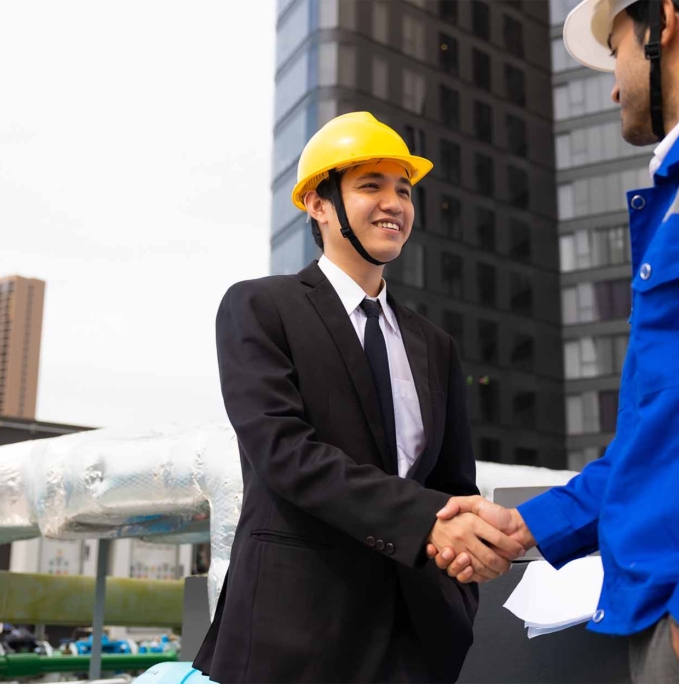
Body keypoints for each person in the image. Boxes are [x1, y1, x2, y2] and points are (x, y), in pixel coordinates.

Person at [430, 1, 679, 682]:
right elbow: (669, 441)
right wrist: (529, 525)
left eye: (617, 47)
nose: (613, 82)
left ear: (666, 22)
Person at [193, 111, 523, 683]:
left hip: (413, 640)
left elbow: (451, 483)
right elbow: (286, 453)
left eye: (404, 189)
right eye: (370, 185)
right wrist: (428, 522)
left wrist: (465, 558)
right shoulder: (260, 308)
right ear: (318, 205)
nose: (394, 203)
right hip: (293, 636)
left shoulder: (434, 345)